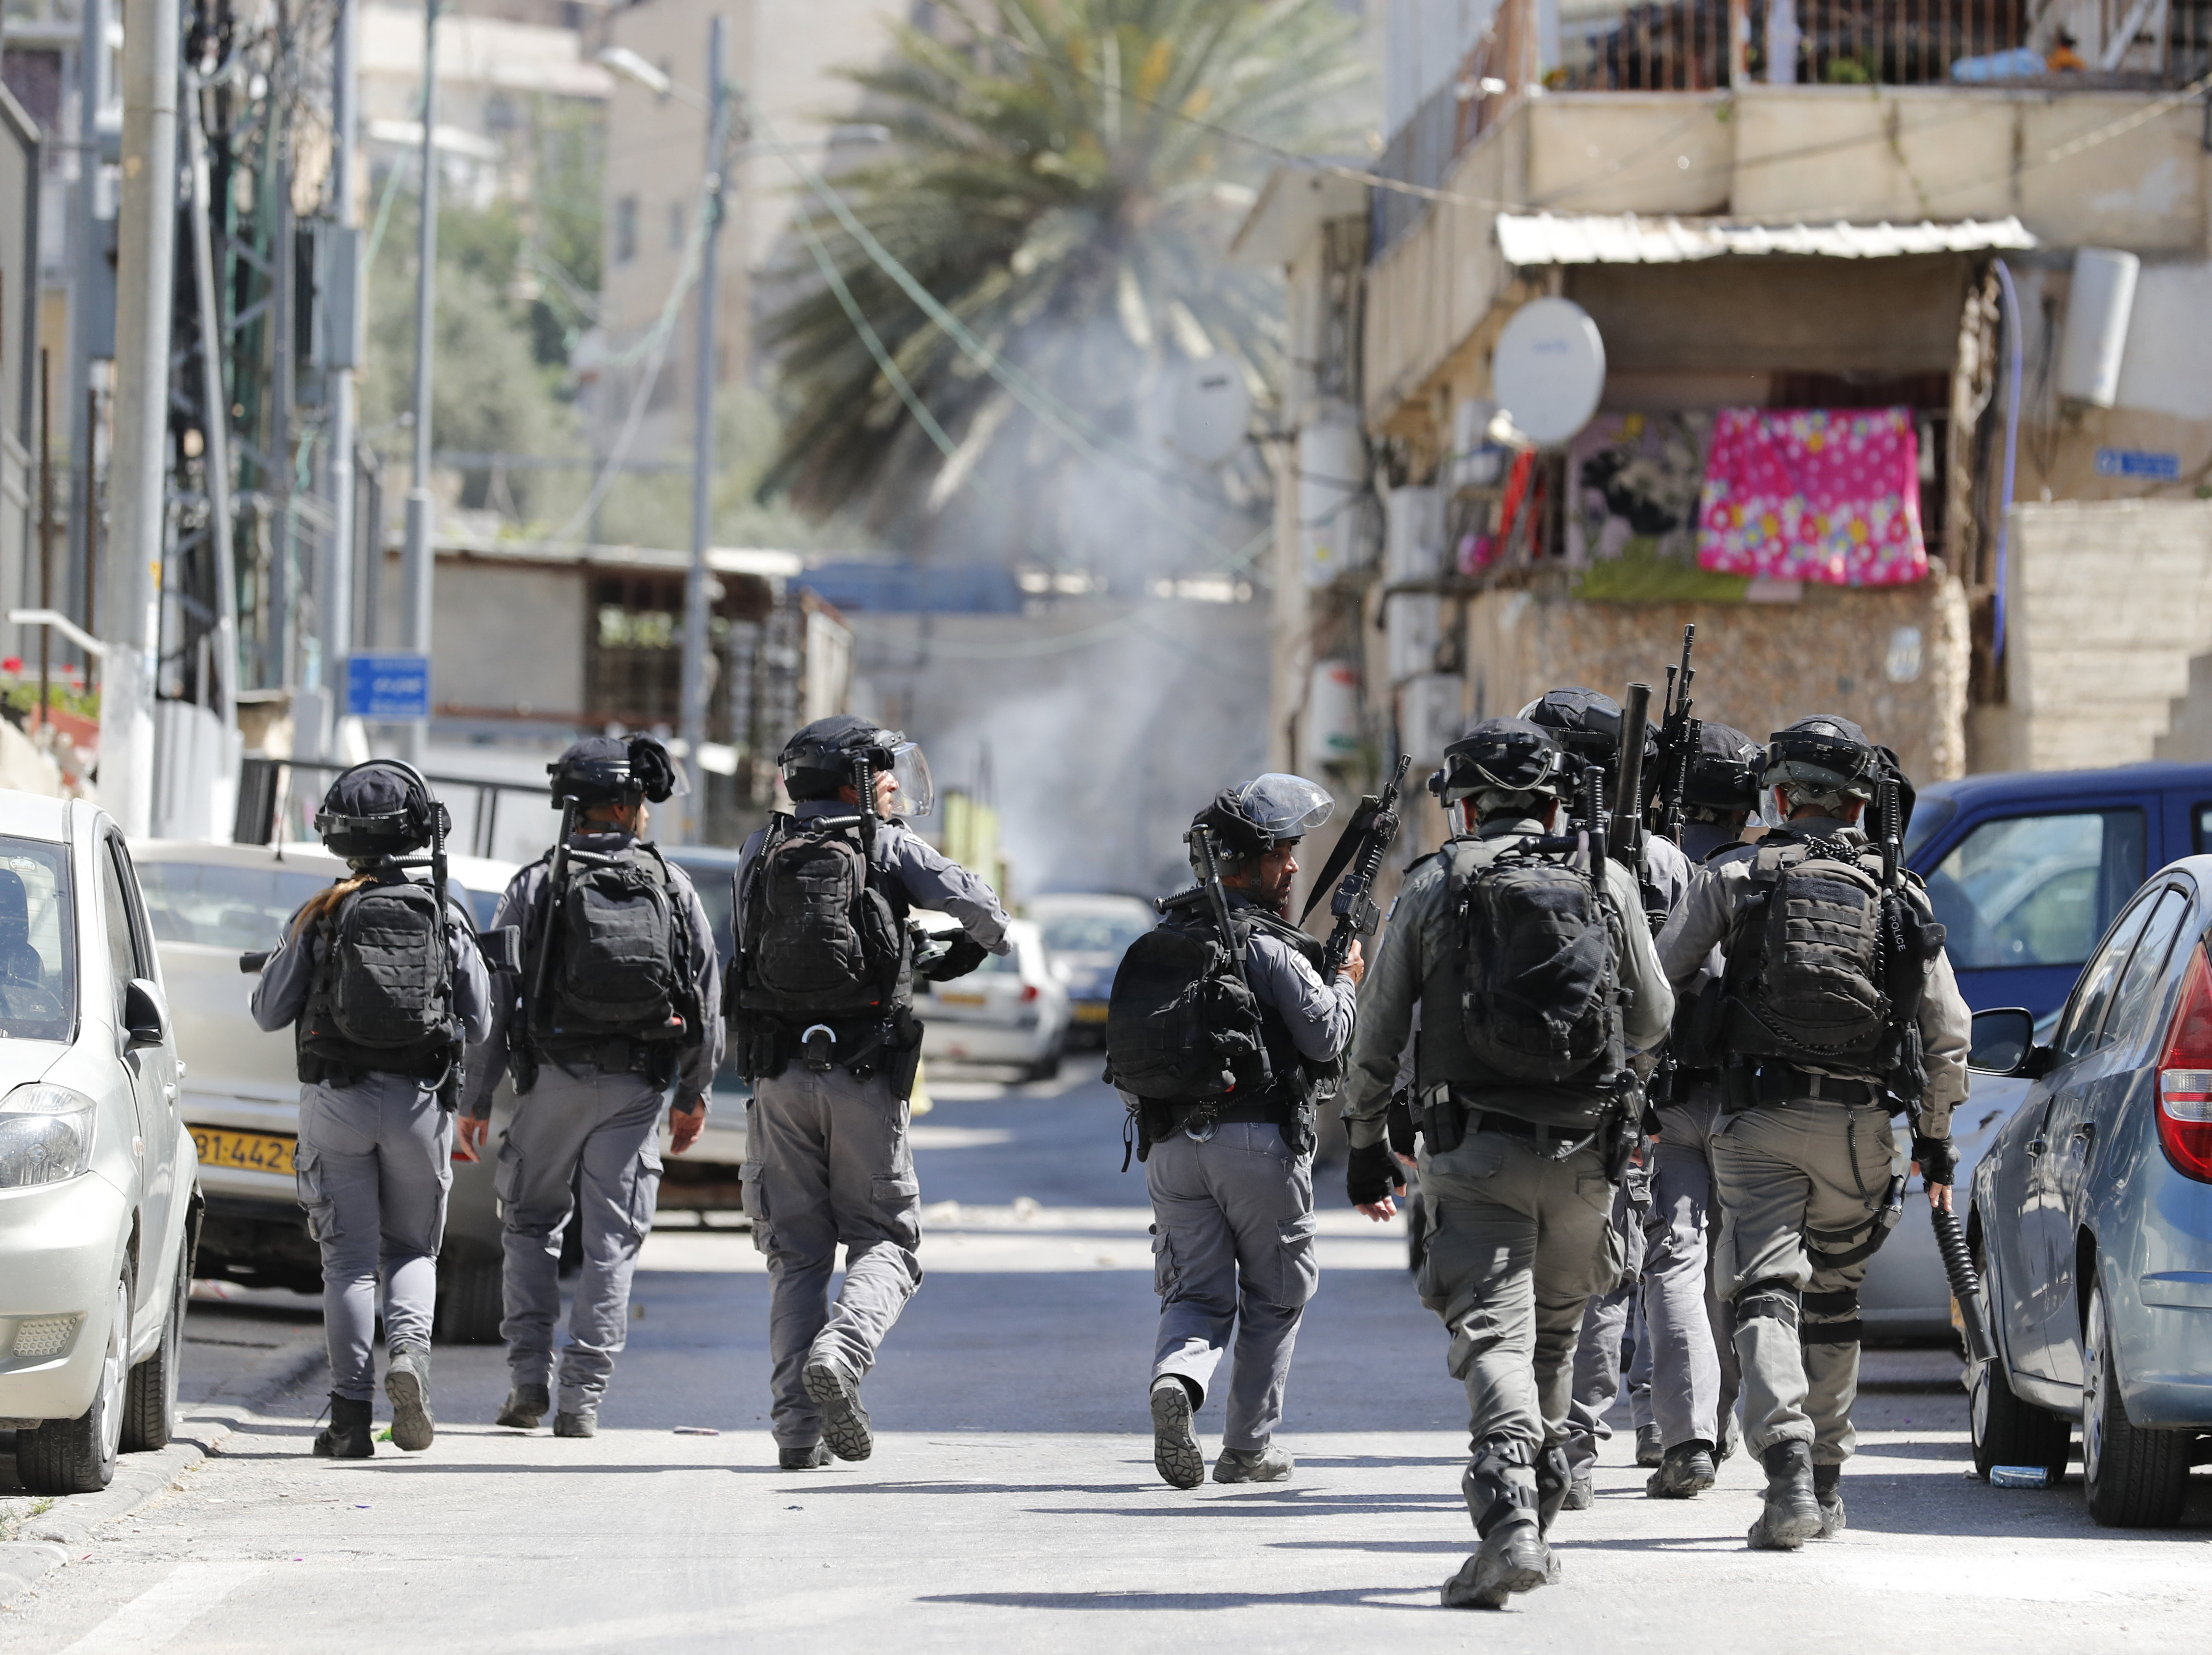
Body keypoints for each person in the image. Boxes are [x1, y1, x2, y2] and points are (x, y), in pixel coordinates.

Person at [1343, 718, 1672, 1609]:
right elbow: (1653, 1018)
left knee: (1494, 1333)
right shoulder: (1604, 879)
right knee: (1555, 1336)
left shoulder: (1436, 884)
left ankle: (1509, 1517)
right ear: (1554, 804)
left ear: (1466, 807)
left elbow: (1377, 1035)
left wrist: (1366, 1141)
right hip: (1588, 1156)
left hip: (1475, 1150)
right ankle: (1536, 1512)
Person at [1656, 716, 1969, 1549]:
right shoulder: (1900, 891)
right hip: (1861, 1129)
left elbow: (1658, 984)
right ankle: (1826, 1482)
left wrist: (1656, 1072)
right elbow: (1949, 1032)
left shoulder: (1736, 875)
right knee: (1833, 1302)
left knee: (1764, 1290)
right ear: (1861, 804)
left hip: (1756, 1122)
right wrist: (1935, 1137)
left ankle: (1787, 1472)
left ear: (1783, 797)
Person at [728, 716, 1010, 1470]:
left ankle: (797, 1435)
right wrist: (960, 951)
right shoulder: (887, 845)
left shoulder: (760, 849)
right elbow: (988, 913)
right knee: (886, 1241)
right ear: (856, 781)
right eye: (884, 774)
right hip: (862, 1076)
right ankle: (843, 1354)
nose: (893, 787)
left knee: (796, 1260)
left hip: (777, 1079)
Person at [460, 734, 723, 1439]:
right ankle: (582, 1400)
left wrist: (475, 1099)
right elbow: (706, 1001)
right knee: (613, 1245)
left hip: (551, 1083)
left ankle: (528, 1382)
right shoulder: (671, 885)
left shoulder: (534, 884)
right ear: (629, 806)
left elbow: (496, 1002)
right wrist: (693, 1094)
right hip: (637, 1090)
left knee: (529, 1225)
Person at [1110, 776, 1361, 1490]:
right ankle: (1247, 1447)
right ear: (1246, 864)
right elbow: (1325, 1038)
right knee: (1277, 1294)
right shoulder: (1267, 947)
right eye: (1282, 853)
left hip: (1169, 1148)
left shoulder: (1166, 938)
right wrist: (1347, 979)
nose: (1293, 867)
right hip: (1257, 1145)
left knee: (1195, 1292)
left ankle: (1178, 1380)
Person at [250, 761, 491, 1458]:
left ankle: (351, 1421)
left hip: (337, 1102)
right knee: (412, 1249)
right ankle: (409, 1357)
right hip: (419, 1103)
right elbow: (479, 1020)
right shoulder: (444, 914)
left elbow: (268, 1011)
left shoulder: (320, 914)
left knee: (349, 1264)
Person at [1522, 688, 1692, 1508]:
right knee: (1637, 1265)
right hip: (1638, 1091)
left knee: (1577, 1275)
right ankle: (1639, 1429)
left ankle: (1565, 1444)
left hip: (1538, 1096)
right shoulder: (1661, 863)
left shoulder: (1522, 857)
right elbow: (1683, 987)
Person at [1641, 722, 1763, 1499]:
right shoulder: (1765, 871)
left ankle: (1687, 1438)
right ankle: (1727, 1425)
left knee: (1677, 1259)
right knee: (1743, 1264)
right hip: (1756, 1102)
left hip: (1674, 1098)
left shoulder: (1644, 863)